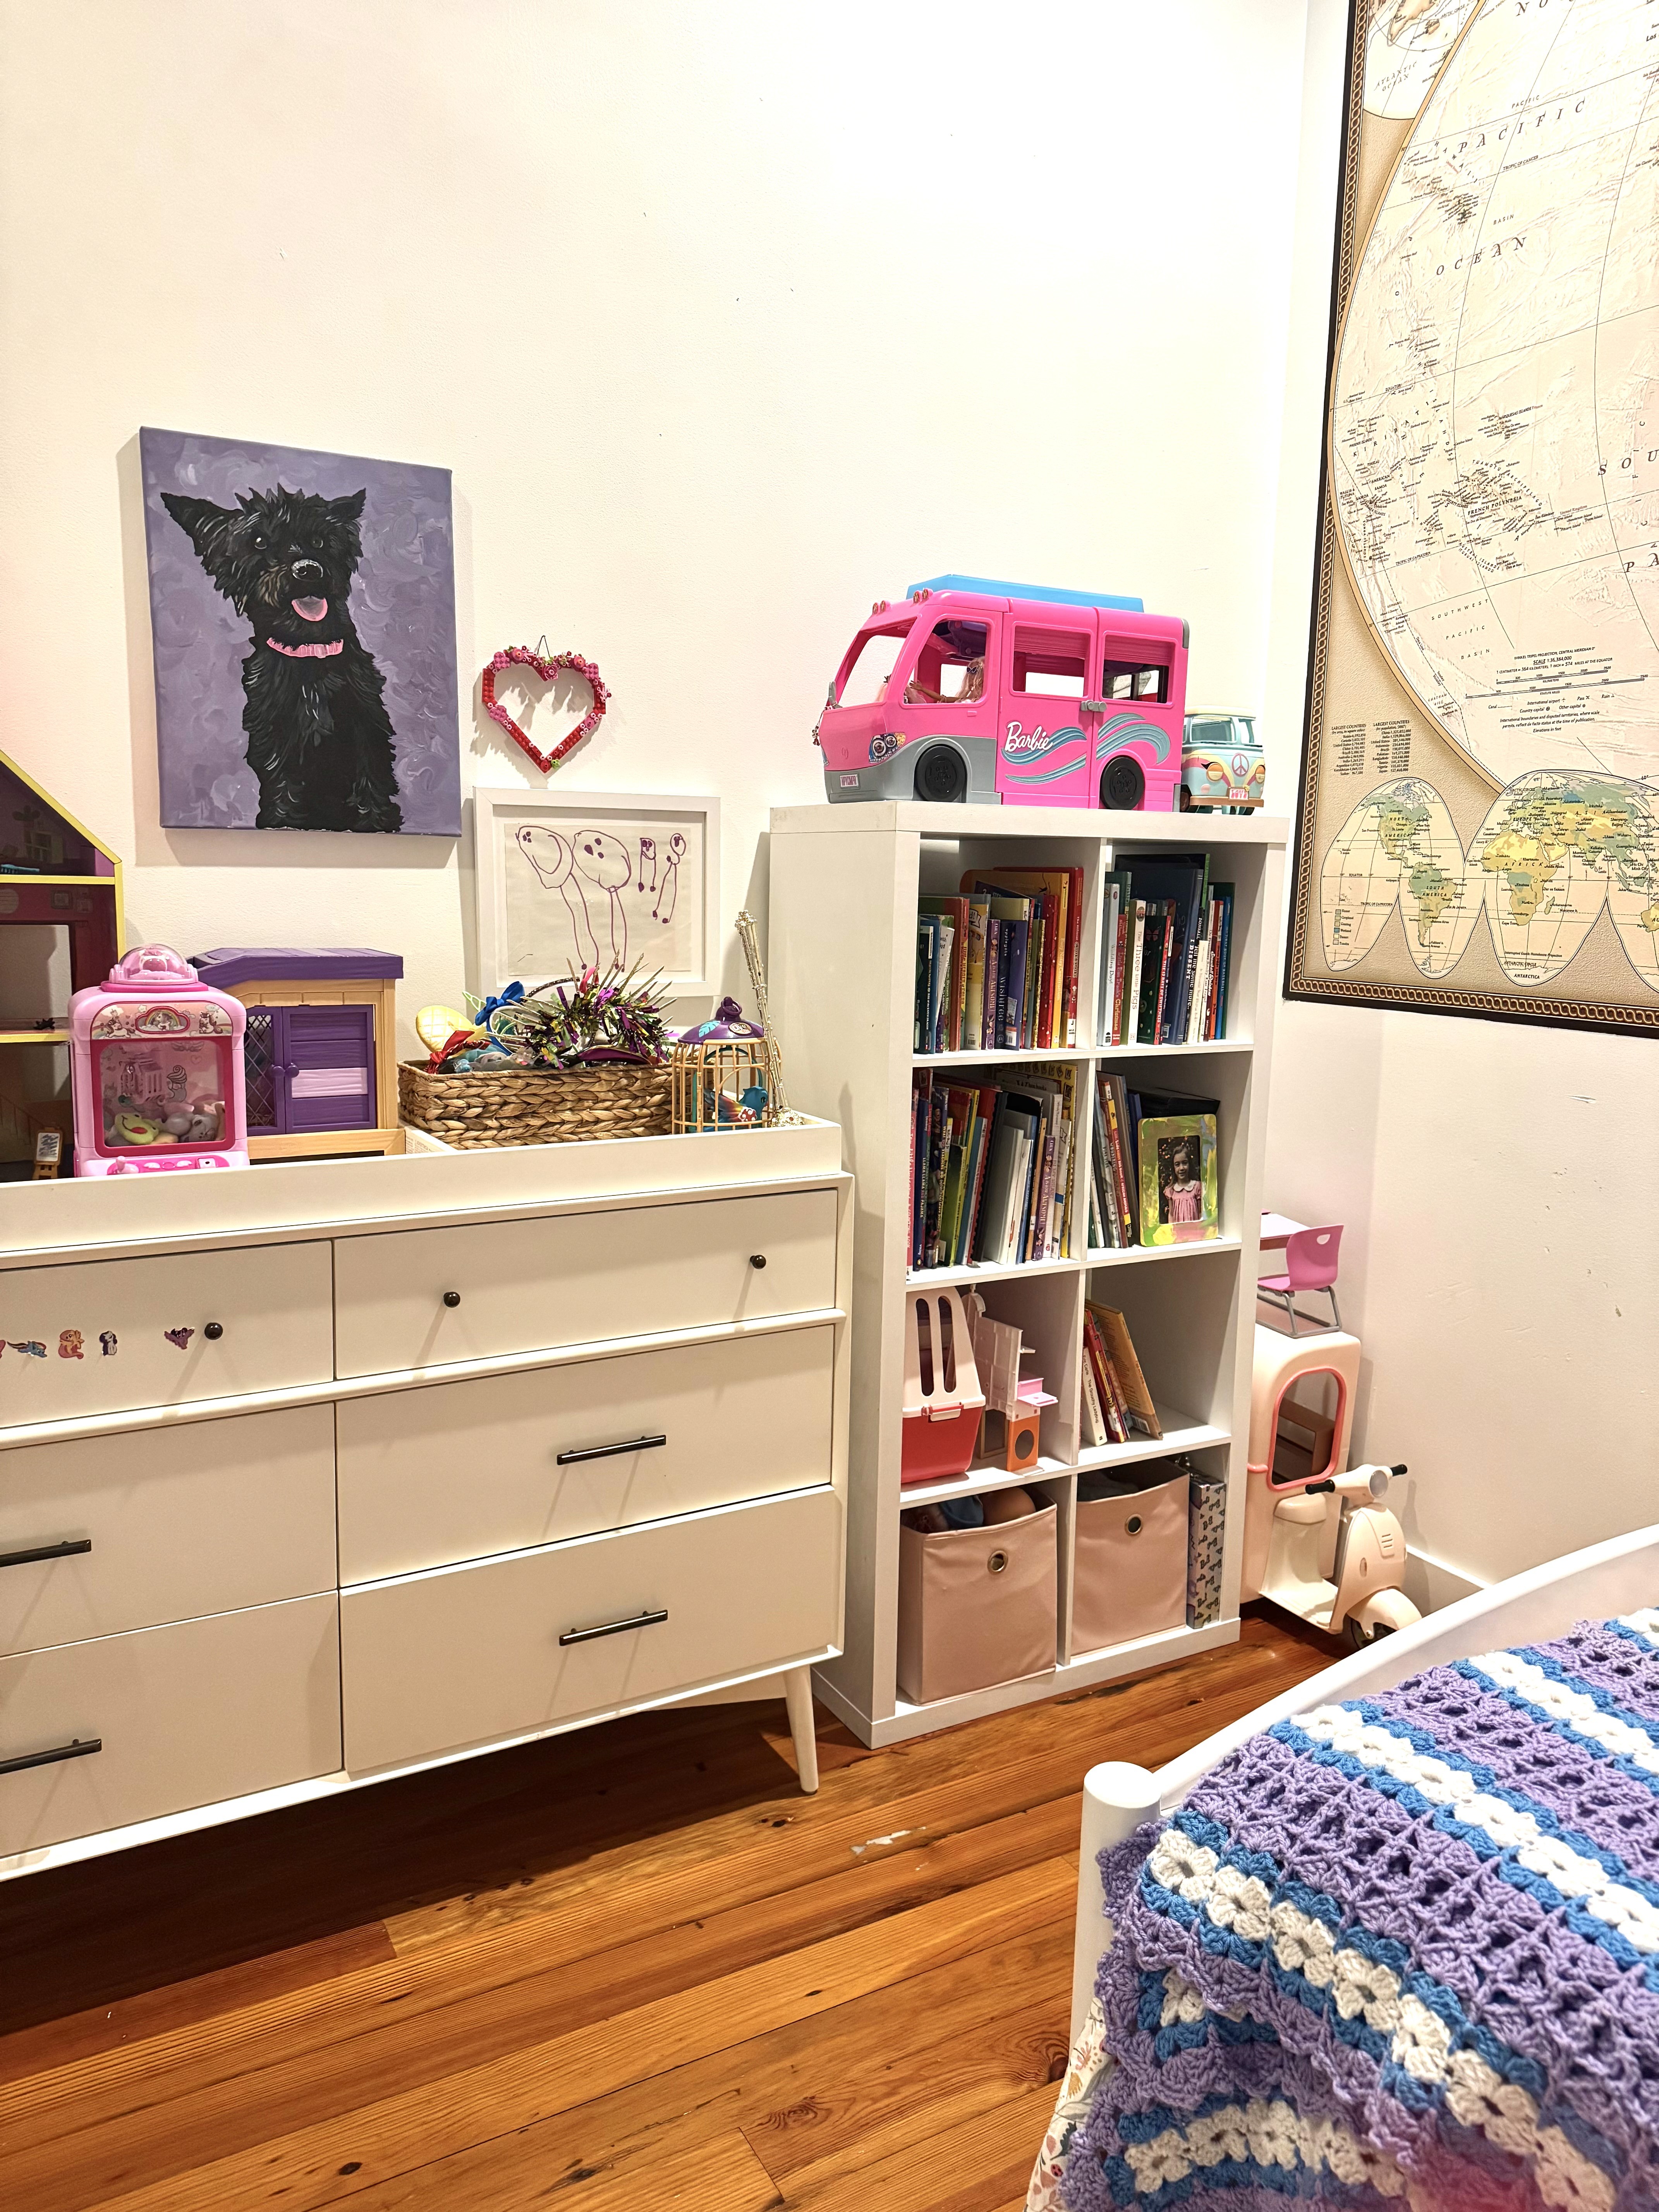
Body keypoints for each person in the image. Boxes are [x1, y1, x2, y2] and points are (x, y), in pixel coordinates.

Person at [1161, 1137, 1205, 1225]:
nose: (1181, 1168)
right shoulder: (1171, 1191)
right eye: (1177, 1165)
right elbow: (1171, 1215)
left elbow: (1201, 1213)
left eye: (1185, 1163)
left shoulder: (1197, 1187)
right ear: (1174, 1168)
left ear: (1190, 1164)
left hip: (1195, 1232)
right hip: (1178, 1235)